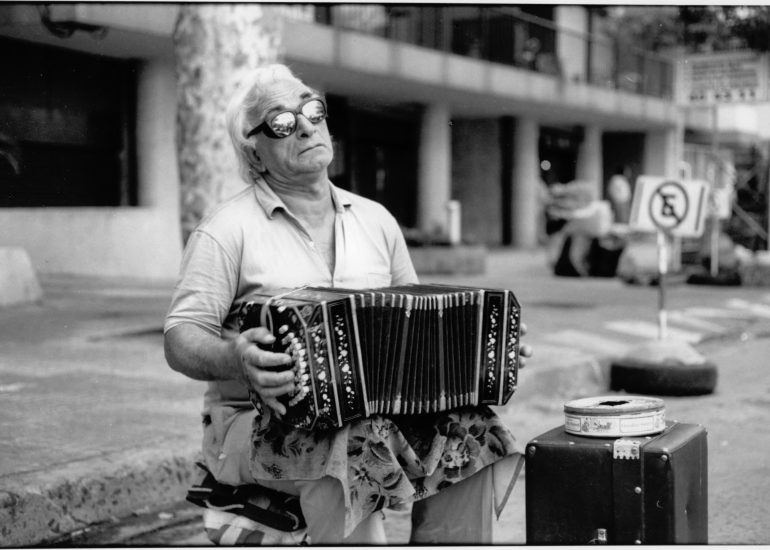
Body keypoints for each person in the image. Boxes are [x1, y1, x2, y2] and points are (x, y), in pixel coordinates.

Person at [164, 64, 533, 545]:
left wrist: (489, 346)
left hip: (377, 416)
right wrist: (235, 356)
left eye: (313, 110)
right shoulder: (225, 231)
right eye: (281, 121)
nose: (305, 125)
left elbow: (425, 325)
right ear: (253, 147)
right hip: (254, 423)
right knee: (348, 448)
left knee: (473, 431)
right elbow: (180, 338)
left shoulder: (376, 220)